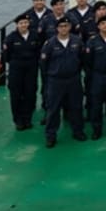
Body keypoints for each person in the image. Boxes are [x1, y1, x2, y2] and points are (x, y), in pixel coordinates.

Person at [40, 16, 86, 147]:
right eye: (61, 26)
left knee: (76, 107)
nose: (64, 28)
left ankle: (78, 131)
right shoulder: (50, 44)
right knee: (53, 109)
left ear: (70, 27)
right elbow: (44, 63)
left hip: (73, 79)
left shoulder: (77, 41)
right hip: (56, 81)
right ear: (57, 28)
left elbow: (82, 58)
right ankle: (51, 136)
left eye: (66, 26)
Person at [3, 13, 42, 130]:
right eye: (21, 23)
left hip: (31, 68)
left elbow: (38, 51)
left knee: (30, 93)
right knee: (16, 94)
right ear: (17, 25)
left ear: (28, 23)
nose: (24, 25)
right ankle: (18, 120)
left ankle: (27, 118)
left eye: (25, 23)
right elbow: (6, 56)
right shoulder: (10, 38)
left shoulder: (35, 36)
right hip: (16, 69)